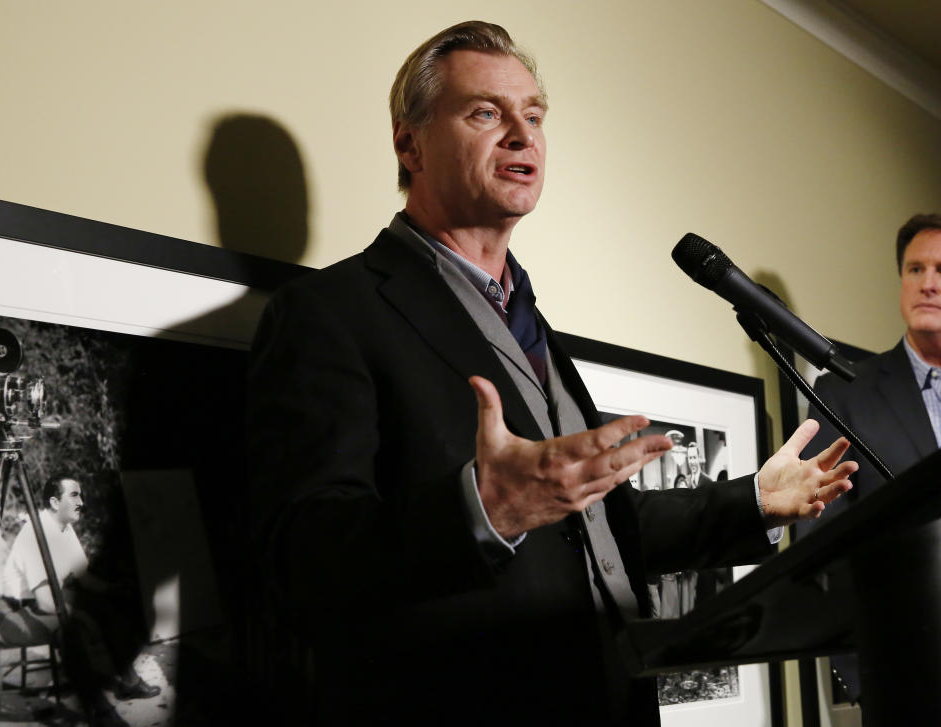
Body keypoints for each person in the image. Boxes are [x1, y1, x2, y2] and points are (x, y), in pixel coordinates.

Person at [247, 20, 856, 725]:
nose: (521, 133)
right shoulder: (328, 313)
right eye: (485, 112)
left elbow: (602, 527)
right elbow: (301, 560)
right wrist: (482, 510)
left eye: (533, 115)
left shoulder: (531, 322)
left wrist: (753, 498)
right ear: (408, 142)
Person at [799, 212, 941, 704]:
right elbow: (821, 539)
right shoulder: (847, 393)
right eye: (915, 269)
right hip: (905, 678)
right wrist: (864, 682)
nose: (928, 285)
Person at [0, 475, 160, 727]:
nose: (81, 502)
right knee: (73, 629)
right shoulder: (36, 533)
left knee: (106, 606)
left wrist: (114, 591)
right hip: (14, 611)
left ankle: (129, 682)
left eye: (80, 495)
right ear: (53, 502)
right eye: (74, 495)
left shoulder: (65, 526)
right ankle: (99, 712)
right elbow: (45, 602)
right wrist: (81, 615)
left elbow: (84, 578)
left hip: (47, 597)